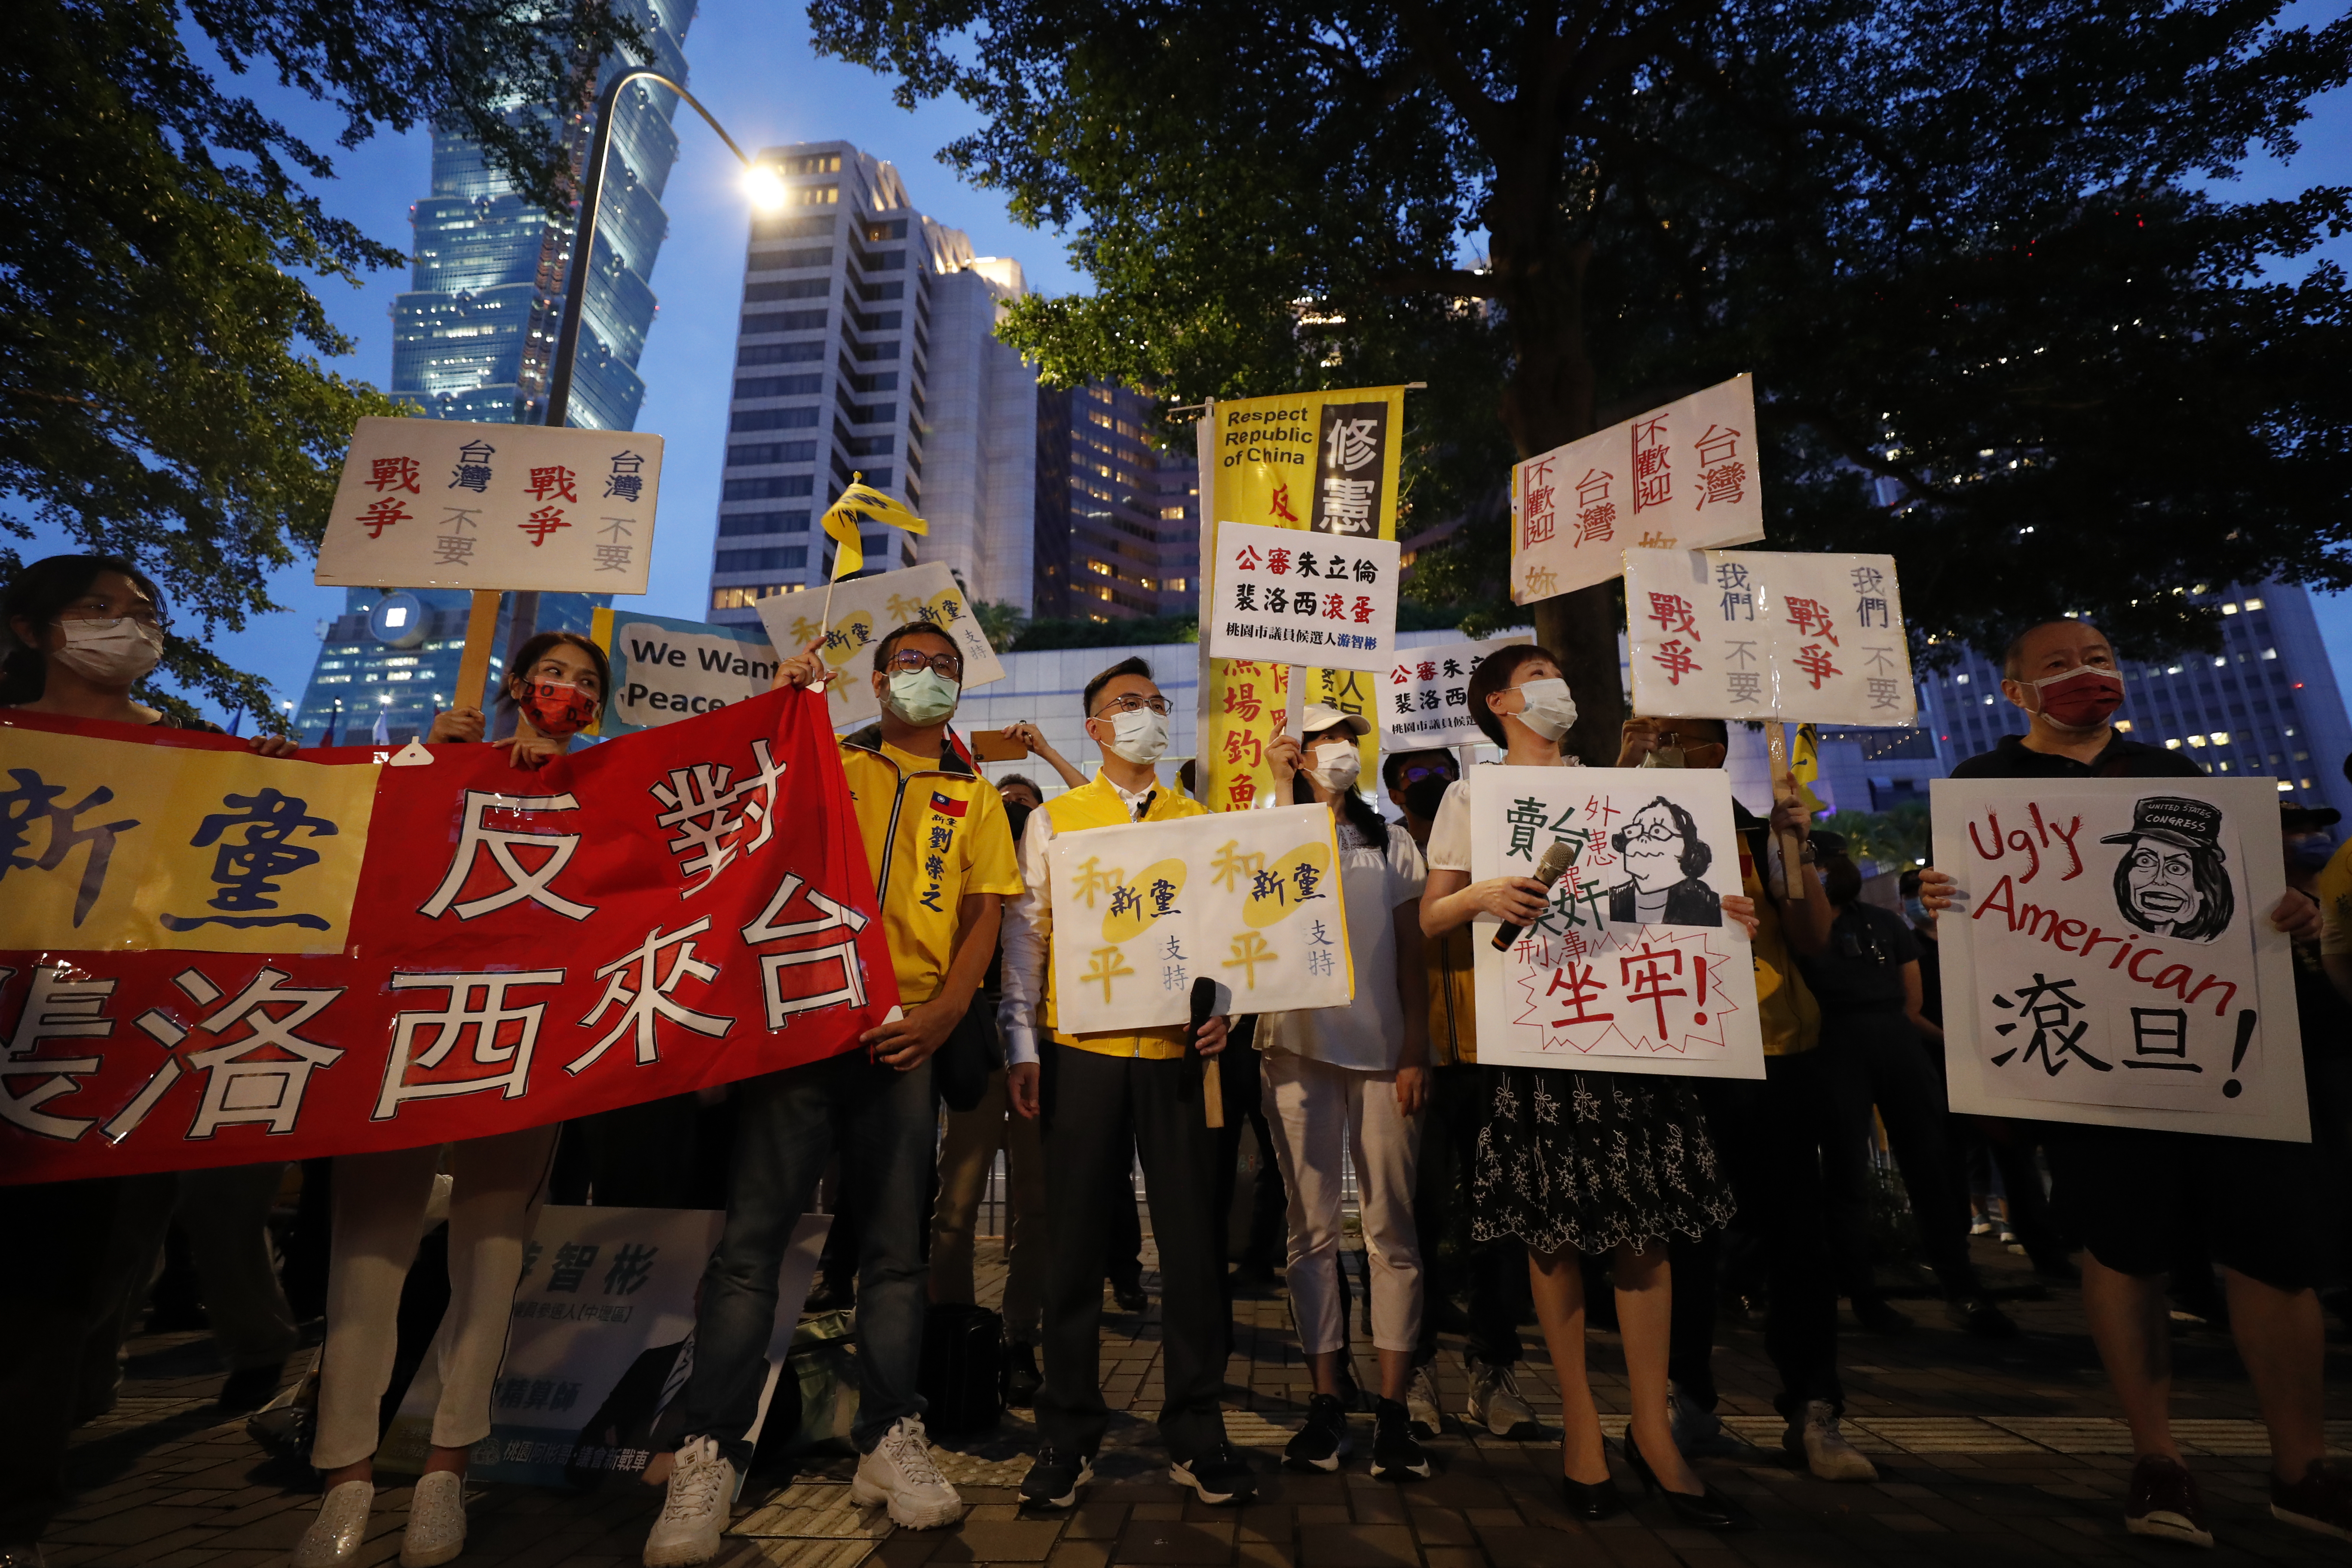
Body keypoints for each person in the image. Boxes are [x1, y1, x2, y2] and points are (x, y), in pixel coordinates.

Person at [1919, 617, 2348, 1549]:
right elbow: (1967, 903)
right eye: (2060, 667)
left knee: (2274, 1256)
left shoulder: (2187, 778)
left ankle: (2301, 1468)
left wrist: (2295, 915)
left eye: (2101, 659)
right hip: (2094, 1070)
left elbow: (2249, 894)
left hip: (2226, 1060)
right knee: (2124, 1252)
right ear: (2016, 692)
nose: (2086, 676)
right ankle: (2158, 1459)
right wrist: (1938, 899)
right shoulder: (1983, 790)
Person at [640, 620, 1020, 1563]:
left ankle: (891, 1436)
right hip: (801, 1032)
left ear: (960, 688)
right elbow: (736, 809)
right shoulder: (824, 759)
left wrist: (944, 1012)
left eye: (943, 667)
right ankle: (711, 1449)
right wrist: (783, 700)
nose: (924, 677)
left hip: (906, 1042)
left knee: (895, 1254)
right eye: (908, 664)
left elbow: (987, 914)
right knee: (750, 1249)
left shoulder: (973, 799)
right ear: (877, 679)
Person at [0, 555, 301, 1568]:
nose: (126, 628)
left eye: (142, 614)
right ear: (33, 631)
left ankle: (19, 1513)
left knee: (59, 1289)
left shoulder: (196, 762)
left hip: (111, 1052)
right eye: (97, 611)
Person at [293, 630, 612, 1568]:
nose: (566, 692)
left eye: (587, 684)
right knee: (369, 1247)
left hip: (527, 1036)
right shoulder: (439, 762)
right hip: (415, 1028)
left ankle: (446, 1469)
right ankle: (343, 1475)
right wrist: (438, 761)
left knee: (494, 1248)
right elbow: (357, 844)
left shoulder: (607, 787)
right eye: (554, 675)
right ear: (515, 684)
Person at [1419, 650, 1749, 1528]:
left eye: (1561, 671)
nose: (1557, 686)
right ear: (1499, 702)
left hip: (1634, 1034)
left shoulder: (1614, 783)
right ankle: (1581, 1427)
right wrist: (1487, 891)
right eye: (1537, 674)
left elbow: (1681, 897)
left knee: (1645, 1232)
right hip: (1539, 1035)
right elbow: (1431, 915)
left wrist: (1726, 914)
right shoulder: (1471, 795)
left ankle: (1652, 1429)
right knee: (1554, 1235)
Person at [999, 656, 1254, 1510]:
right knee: (1072, 1246)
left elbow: (1229, 934)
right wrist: (1020, 1043)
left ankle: (1195, 1426)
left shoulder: (1198, 816)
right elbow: (1026, 937)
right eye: (1126, 705)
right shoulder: (1058, 820)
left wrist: (1230, 1012)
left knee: (1190, 1249)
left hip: (1181, 1058)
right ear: (1096, 730)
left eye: (1154, 703)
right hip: (1083, 1051)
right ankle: (1065, 1433)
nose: (1145, 715)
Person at [1617, 716, 1883, 1484]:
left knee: (1795, 1237)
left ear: (1718, 748)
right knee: (1680, 1241)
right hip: (1669, 1056)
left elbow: (1810, 935)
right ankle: (1687, 1405)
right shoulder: (1615, 827)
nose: (1677, 744)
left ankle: (1813, 1406)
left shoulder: (1753, 829)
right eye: (1658, 732)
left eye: (1693, 734)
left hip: (1771, 1053)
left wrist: (1792, 841)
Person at [1256, 707, 1433, 1480]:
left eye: (1347, 740)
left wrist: (1416, 1046)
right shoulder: (1266, 824)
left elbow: (1414, 952)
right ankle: (1326, 1399)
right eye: (1323, 739)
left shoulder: (1390, 840)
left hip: (1382, 1053)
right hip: (1293, 1049)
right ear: (1293, 750)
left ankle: (1394, 1407)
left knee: (1392, 1229)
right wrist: (1277, 790)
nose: (1338, 751)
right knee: (1311, 1230)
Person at [1382, 749, 1539, 1442]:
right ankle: (1410, 1369)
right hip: (1409, 1059)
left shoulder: (1499, 835)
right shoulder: (1383, 850)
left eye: (1442, 770)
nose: (1433, 784)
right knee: (1409, 1217)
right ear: (1394, 789)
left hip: (1495, 1051)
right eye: (1417, 775)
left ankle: (1492, 1368)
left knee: (1497, 1218)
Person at [1800, 837, 2014, 1337]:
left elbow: (1910, 1001)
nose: (1830, 874)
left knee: (1932, 1167)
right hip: (1835, 1048)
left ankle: (1962, 1287)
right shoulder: (1803, 929)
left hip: (1893, 1047)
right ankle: (1865, 1294)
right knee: (1847, 1175)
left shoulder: (1887, 924)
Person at [931, 781, 1048, 1408]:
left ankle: (1019, 1337)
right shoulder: (959, 871)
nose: (1015, 810)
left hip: (1037, 1043)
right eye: (1007, 803)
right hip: (975, 1043)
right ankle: (952, 1332)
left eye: (1026, 804)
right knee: (959, 1198)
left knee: (1036, 1200)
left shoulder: (1052, 861)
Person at [1897, 870, 2070, 1280]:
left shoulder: (1973, 941)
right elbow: (1911, 1012)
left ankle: (2047, 1256)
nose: (1918, 902)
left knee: (2017, 1163)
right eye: (1910, 895)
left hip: (1994, 1067)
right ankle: (1957, 1266)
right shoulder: (1907, 946)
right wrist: (1953, 1043)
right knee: (1949, 1167)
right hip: (1939, 1070)